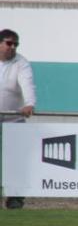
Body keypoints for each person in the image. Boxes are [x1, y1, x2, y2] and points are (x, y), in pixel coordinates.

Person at [1, 29, 36, 210]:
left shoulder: (21, 63)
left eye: (15, 44)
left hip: (13, 118)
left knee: (17, 160)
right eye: (9, 43)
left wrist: (29, 103)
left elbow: (27, 83)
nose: (12, 47)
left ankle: (15, 198)